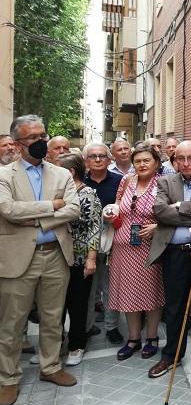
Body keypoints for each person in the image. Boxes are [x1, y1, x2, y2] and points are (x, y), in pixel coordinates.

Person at [0, 115, 81, 405]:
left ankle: (50, 367)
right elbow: (8, 210)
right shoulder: (4, 175)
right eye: (33, 138)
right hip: (17, 259)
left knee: (53, 318)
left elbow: (73, 210)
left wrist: (37, 221)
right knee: (11, 323)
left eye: (43, 135)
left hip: (56, 257)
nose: (41, 142)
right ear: (19, 144)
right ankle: (8, 379)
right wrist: (51, 206)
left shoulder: (61, 174)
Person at [146, 141, 191, 378]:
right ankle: (171, 355)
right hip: (174, 253)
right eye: (180, 158)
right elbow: (160, 211)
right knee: (174, 307)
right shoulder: (165, 181)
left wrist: (179, 207)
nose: (185, 163)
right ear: (174, 160)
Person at [104, 144, 164, 361]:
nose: (141, 165)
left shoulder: (164, 183)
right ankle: (133, 339)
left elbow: (170, 213)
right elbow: (117, 206)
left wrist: (159, 226)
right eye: (137, 161)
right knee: (128, 293)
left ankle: (152, 337)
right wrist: (111, 215)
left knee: (152, 293)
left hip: (150, 246)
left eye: (146, 160)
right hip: (123, 246)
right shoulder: (127, 181)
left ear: (156, 163)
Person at [57, 153, 102, 367]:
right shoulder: (56, 193)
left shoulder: (88, 194)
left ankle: (76, 345)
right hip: (57, 257)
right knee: (55, 306)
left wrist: (91, 259)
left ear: (71, 172)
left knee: (78, 305)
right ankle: (55, 346)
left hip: (80, 258)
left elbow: (94, 228)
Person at [82, 143, 124, 345]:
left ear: (109, 160)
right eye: (93, 156)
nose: (97, 160)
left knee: (110, 287)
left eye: (101, 156)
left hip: (112, 241)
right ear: (85, 160)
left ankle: (112, 327)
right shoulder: (78, 181)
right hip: (83, 245)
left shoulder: (120, 181)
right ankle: (87, 327)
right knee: (86, 289)